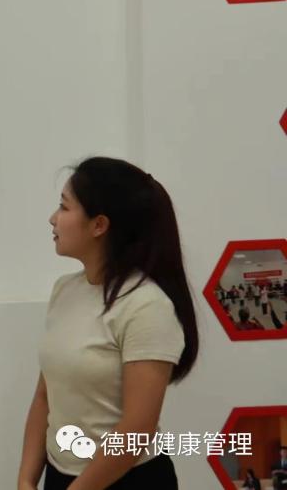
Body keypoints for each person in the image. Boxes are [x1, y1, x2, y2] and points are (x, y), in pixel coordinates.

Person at [18, 157, 198, 490]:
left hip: (129, 480)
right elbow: (45, 396)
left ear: (99, 225)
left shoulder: (146, 305)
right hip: (61, 475)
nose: (53, 218)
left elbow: (136, 430)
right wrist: (26, 480)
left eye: (64, 207)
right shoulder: (65, 290)